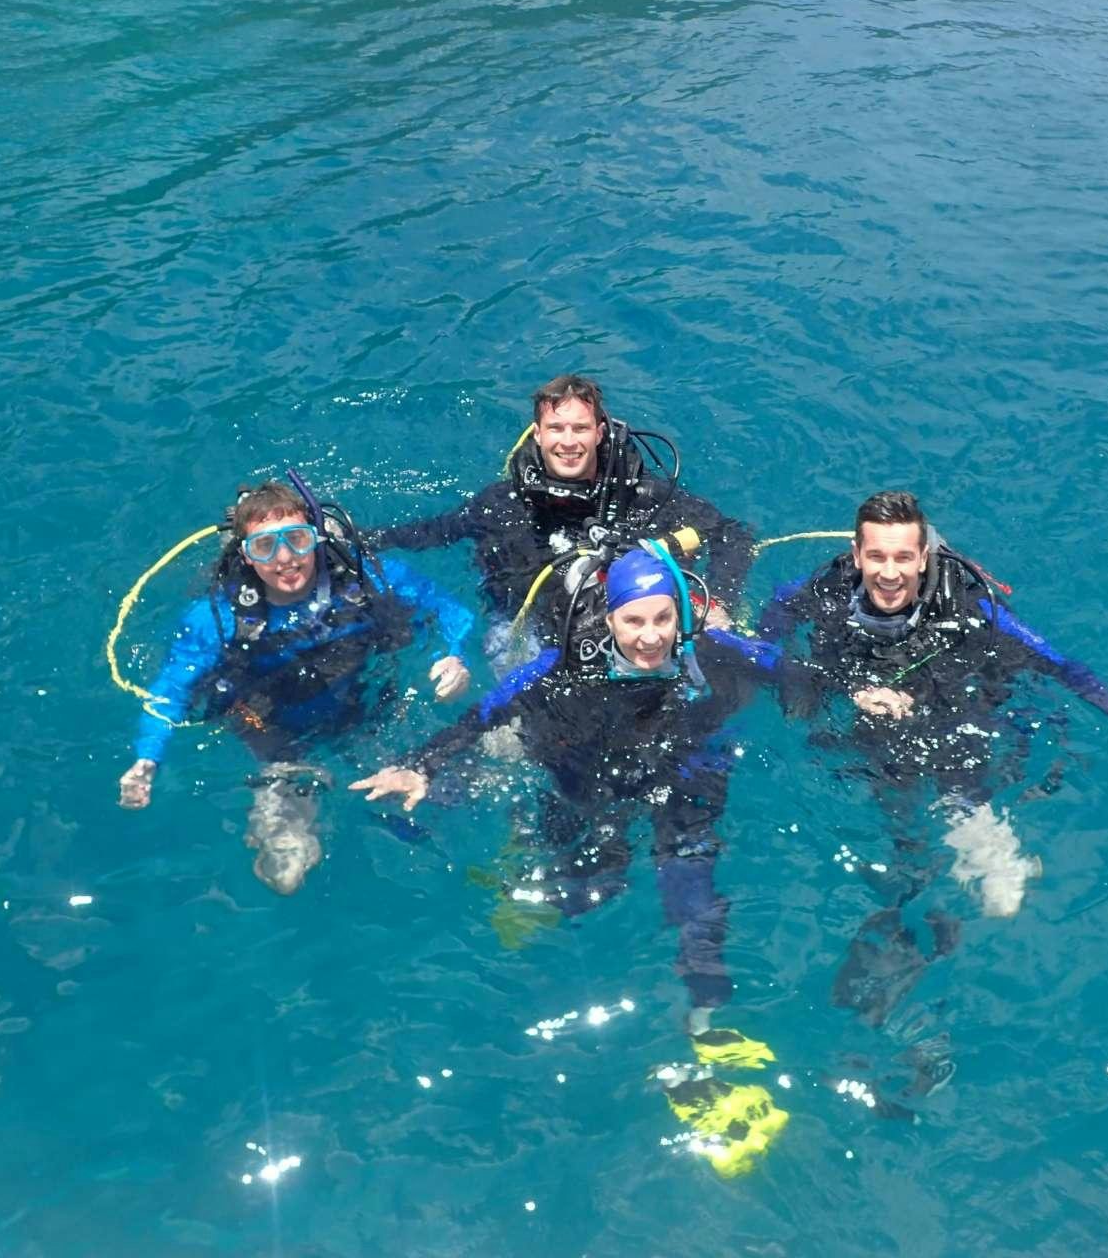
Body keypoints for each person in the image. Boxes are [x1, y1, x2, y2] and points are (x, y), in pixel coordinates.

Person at [351, 544, 801, 1176]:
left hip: (685, 781)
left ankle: (705, 1029)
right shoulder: (560, 669)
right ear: (609, 620)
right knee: (587, 895)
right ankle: (528, 857)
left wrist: (868, 694)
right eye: (633, 621)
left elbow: (794, 669)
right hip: (594, 785)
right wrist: (419, 764)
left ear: (681, 619)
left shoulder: (712, 654)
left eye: (662, 620)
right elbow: (484, 715)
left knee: (695, 903)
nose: (649, 638)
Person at [760, 490, 1108, 1086]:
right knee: (898, 827)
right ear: (856, 555)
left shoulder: (967, 607)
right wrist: (822, 682)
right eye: (877, 557)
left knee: (1000, 894)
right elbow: (774, 613)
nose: (890, 572)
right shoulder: (826, 588)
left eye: (904, 557)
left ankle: (936, 930)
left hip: (952, 716)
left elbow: (1059, 663)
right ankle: (904, 935)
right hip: (872, 714)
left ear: (925, 556)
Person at [115, 475, 474, 895]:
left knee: (446, 796)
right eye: (265, 546)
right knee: (286, 868)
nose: (285, 558)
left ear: (317, 539)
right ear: (247, 557)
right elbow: (170, 691)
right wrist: (147, 758)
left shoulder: (369, 578)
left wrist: (454, 656)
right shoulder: (217, 616)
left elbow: (451, 611)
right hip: (272, 728)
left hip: (366, 700)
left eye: (297, 540)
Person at [367, 374, 755, 670]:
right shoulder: (503, 504)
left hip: (638, 630)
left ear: (600, 432)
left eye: (580, 428)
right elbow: (437, 531)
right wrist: (369, 539)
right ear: (537, 434)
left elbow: (732, 534)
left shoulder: (643, 498)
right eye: (556, 428)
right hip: (530, 629)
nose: (568, 442)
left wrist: (720, 601)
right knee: (512, 737)